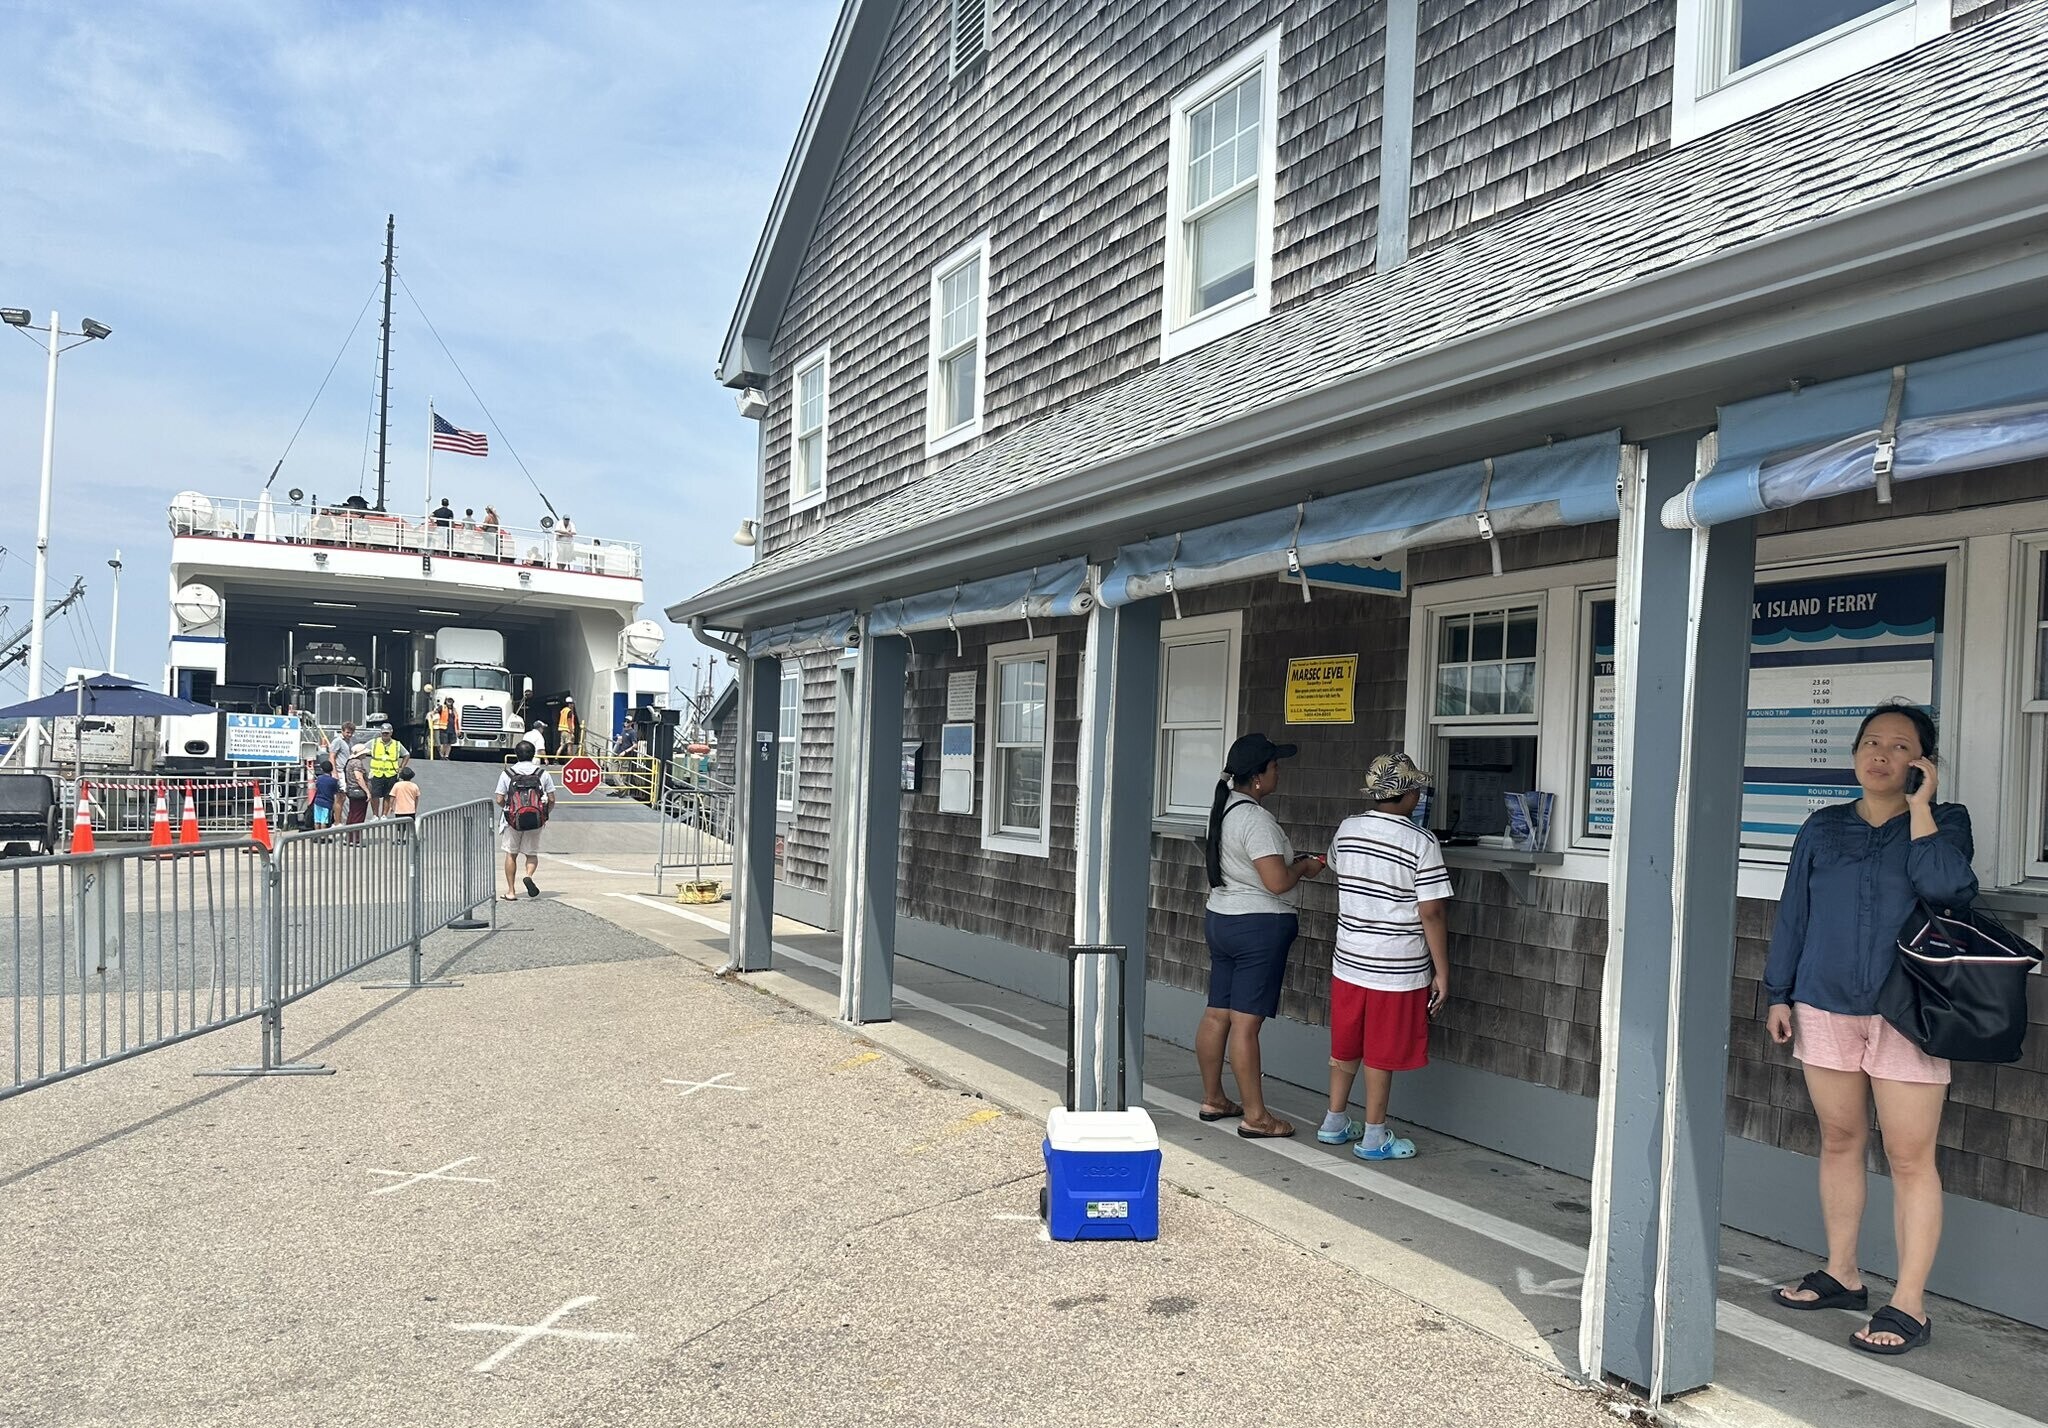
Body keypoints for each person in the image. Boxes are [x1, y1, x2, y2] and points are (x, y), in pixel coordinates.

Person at [1765, 702, 1976, 1356]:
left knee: (1911, 1158)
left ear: (1922, 761)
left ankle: (1909, 1303)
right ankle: (1842, 1272)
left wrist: (1921, 808)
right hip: (1823, 1003)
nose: (1881, 754)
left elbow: (1950, 891)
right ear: (1854, 752)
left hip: (1909, 1011)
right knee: (1839, 1139)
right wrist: (1778, 991)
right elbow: (1793, 912)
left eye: (1900, 746)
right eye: (1871, 742)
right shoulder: (1822, 827)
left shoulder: (1947, 823)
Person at [1319, 753, 1453, 1161]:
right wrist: (1442, 972)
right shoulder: (1420, 841)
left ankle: (1334, 1121)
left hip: (1349, 959)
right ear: (1408, 794)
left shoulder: (1348, 829)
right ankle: (1374, 1136)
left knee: (1346, 1044)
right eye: (1417, 789)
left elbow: (1337, 868)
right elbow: (1431, 911)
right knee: (1380, 1051)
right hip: (1395, 966)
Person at [1197, 732, 1324, 1139]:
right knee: (1246, 1025)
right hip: (1258, 928)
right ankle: (1256, 1117)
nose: (1278, 772)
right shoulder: (1255, 819)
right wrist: (1304, 867)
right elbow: (1276, 882)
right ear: (1257, 777)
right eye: (1274, 766)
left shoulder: (1223, 808)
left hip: (1222, 918)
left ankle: (1214, 1098)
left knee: (1218, 1013)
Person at [495, 740, 556, 901]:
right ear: (533, 753)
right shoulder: (542, 774)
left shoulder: (507, 774)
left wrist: (508, 809)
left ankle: (511, 891)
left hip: (512, 819)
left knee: (511, 854)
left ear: (516, 754)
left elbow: (499, 798)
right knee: (531, 854)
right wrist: (545, 814)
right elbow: (551, 799)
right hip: (536, 819)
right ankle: (528, 875)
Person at [367, 724, 410, 817]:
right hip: (376, 773)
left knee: (388, 795)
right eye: (383, 733)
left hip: (391, 773)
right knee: (375, 795)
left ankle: (384, 815)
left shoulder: (397, 744)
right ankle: (375, 815)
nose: (385, 735)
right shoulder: (374, 742)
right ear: (380, 733)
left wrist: (401, 767)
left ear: (391, 733)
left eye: (387, 733)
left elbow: (406, 754)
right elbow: (361, 749)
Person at [342, 742, 373, 845]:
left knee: (352, 814)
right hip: (358, 791)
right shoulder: (357, 763)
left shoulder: (349, 762)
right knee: (358, 815)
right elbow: (359, 778)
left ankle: (349, 837)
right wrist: (367, 791)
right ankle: (355, 838)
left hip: (351, 790)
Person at [308, 759, 339, 830]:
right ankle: (323, 837)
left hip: (317, 801)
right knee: (324, 821)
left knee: (317, 820)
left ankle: (317, 836)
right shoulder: (333, 781)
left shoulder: (319, 779)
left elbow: (316, 787)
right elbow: (335, 791)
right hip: (327, 803)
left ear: (322, 769)